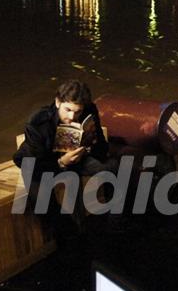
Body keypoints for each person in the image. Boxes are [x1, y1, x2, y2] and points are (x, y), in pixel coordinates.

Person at [14, 79, 116, 232]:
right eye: (67, 109)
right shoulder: (38, 122)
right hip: (39, 163)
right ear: (57, 102)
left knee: (113, 167)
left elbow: (102, 149)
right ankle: (67, 235)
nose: (72, 116)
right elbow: (37, 165)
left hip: (76, 157)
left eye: (77, 112)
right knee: (44, 205)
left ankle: (113, 221)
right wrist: (61, 162)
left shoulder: (88, 110)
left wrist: (88, 142)